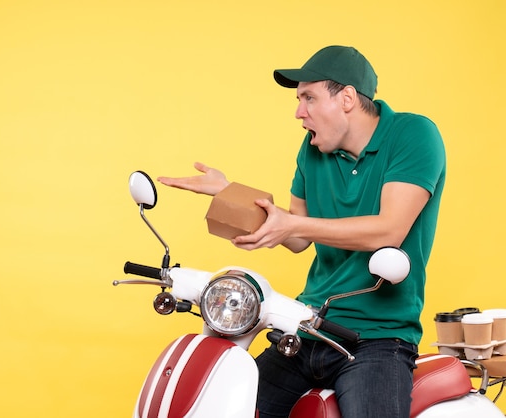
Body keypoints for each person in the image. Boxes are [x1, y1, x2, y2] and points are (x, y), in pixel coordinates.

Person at [157, 45, 446, 418]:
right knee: (226, 404)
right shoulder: (312, 149)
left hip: (378, 337)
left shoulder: (413, 134)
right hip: (308, 325)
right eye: (298, 99)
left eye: (308, 98)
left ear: (346, 98)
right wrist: (232, 197)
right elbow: (297, 237)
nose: (298, 112)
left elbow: (387, 231)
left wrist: (292, 224)